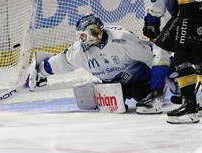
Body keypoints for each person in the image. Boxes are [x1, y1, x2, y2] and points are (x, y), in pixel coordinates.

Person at [27, 13, 168, 114]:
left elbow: (156, 58)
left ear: (94, 32)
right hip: (112, 85)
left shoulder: (123, 41)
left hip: (142, 80)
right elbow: (61, 62)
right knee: (113, 109)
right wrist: (40, 71)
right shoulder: (79, 51)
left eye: (84, 35)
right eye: (79, 36)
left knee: (141, 96)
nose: (81, 39)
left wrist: (166, 82)